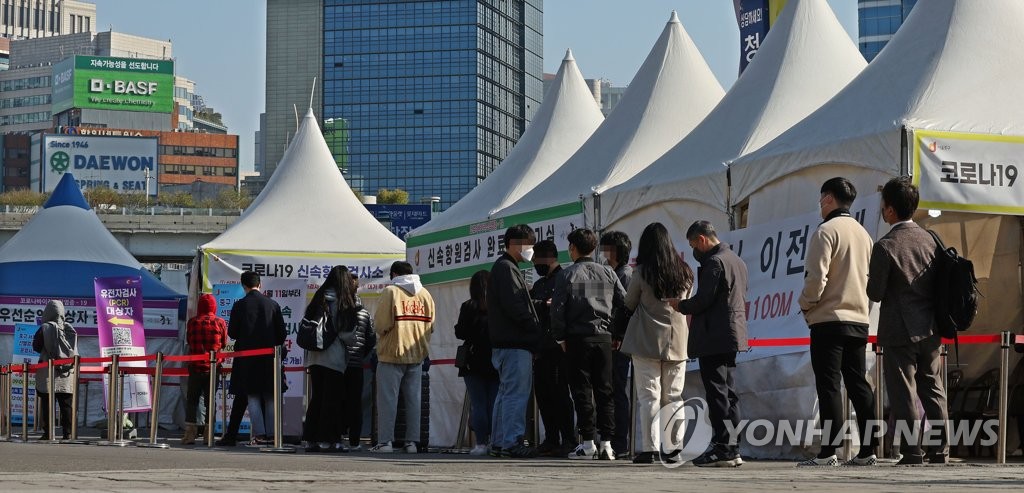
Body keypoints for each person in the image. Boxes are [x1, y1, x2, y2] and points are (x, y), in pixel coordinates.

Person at [867, 176, 949, 465]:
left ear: (890, 210)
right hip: (930, 327)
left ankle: (912, 450)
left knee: (904, 391)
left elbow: (874, 293)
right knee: (932, 387)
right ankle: (941, 450)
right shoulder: (931, 240)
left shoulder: (885, 245)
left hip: (898, 329)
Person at [797, 177, 879, 467]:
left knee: (829, 385)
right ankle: (868, 450)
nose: (820, 205)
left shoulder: (825, 232)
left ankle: (828, 451)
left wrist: (805, 303)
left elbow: (816, 280)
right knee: (859, 384)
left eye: (821, 199)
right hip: (859, 319)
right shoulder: (864, 234)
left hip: (829, 319)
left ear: (829, 198)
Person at [666, 220, 748, 467]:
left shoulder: (714, 262)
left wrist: (680, 305)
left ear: (701, 239)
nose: (693, 249)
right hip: (731, 334)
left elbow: (703, 300)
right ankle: (732, 447)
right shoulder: (736, 260)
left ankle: (722, 446)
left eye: (693, 244)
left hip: (714, 335)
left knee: (717, 393)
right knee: (729, 393)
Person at [617, 223, 693, 464]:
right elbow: (686, 302)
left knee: (649, 396)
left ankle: (649, 449)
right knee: (673, 396)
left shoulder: (641, 272)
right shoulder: (685, 272)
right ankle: (673, 448)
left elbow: (629, 303)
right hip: (677, 340)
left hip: (646, 341)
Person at [552, 228, 626, 461]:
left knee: (582, 391)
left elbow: (558, 310)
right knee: (606, 391)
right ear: (594, 249)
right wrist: (615, 331)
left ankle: (587, 443)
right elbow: (624, 303)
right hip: (604, 339)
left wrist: (560, 337)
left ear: (573, 248)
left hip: (577, 340)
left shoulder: (567, 275)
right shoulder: (608, 273)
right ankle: (607, 444)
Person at [487, 224, 543, 459]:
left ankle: (500, 442)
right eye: (528, 244)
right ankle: (512, 442)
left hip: (504, 343)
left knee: (506, 393)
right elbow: (516, 307)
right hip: (514, 342)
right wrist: (535, 328)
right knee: (516, 394)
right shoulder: (507, 269)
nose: (530, 250)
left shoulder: (502, 267)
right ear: (513, 244)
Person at [370, 261, 435, 453]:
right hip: (416, 355)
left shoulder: (391, 292)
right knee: (414, 401)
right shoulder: (425, 294)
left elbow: (381, 324)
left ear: (394, 274)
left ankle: (385, 442)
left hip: (391, 354)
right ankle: (412, 443)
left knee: (388, 401)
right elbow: (432, 326)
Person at [228, 271, 287, 446]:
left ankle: (260, 435)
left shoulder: (239, 305)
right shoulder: (272, 305)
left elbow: (232, 333)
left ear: (243, 286)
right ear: (260, 285)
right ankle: (272, 434)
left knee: (252, 395)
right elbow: (282, 334)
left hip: (247, 359)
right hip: (269, 359)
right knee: (269, 396)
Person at [302, 266, 356, 453]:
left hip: (314, 357)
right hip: (334, 358)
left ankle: (310, 439)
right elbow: (348, 334)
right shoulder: (344, 302)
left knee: (317, 398)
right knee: (332, 400)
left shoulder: (318, 297)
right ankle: (329, 440)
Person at [529, 239, 575, 457]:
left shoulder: (564, 279)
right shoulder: (538, 285)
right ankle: (551, 438)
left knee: (560, 394)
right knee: (544, 394)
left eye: (537, 260)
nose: (535, 265)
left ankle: (568, 438)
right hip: (540, 348)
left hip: (559, 348)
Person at [455, 270, 500, 456]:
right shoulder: (498, 306)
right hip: (495, 360)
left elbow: (461, 333)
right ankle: (494, 441)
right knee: (494, 403)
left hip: (472, 361)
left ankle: (481, 443)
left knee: (478, 403)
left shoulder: (468, 306)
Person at [600, 230, 634, 459]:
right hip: (610, 340)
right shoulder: (611, 273)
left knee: (617, 392)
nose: (603, 254)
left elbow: (625, 309)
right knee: (609, 391)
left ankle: (620, 442)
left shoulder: (625, 275)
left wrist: (618, 335)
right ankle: (611, 440)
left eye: (607, 250)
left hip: (618, 343)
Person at [182, 293, 228, 446]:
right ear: (214, 307)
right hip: (213, 368)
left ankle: (189, 435)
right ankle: (208, 436)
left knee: (192, 401)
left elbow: (189, 341)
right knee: (210, 402)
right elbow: (223, 343)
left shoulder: (192, 322)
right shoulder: (220, 322)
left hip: (195, 368)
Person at [33, 300, 78, 441]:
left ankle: (48, 433)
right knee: (66, 405)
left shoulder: (44, 328)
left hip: (48, 371)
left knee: (47, 404)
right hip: (66, 373)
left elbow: (36, 346)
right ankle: (68, 434)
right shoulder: (70, 329)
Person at [341, 271, 375, 451]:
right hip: (356, 364)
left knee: (337, 400)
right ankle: (354, 440)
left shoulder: (338, 311)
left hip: (338, 363)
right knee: (355, 403)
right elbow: (371, 339)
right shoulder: (365, 313)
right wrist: (361, 354)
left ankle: (337, 437)